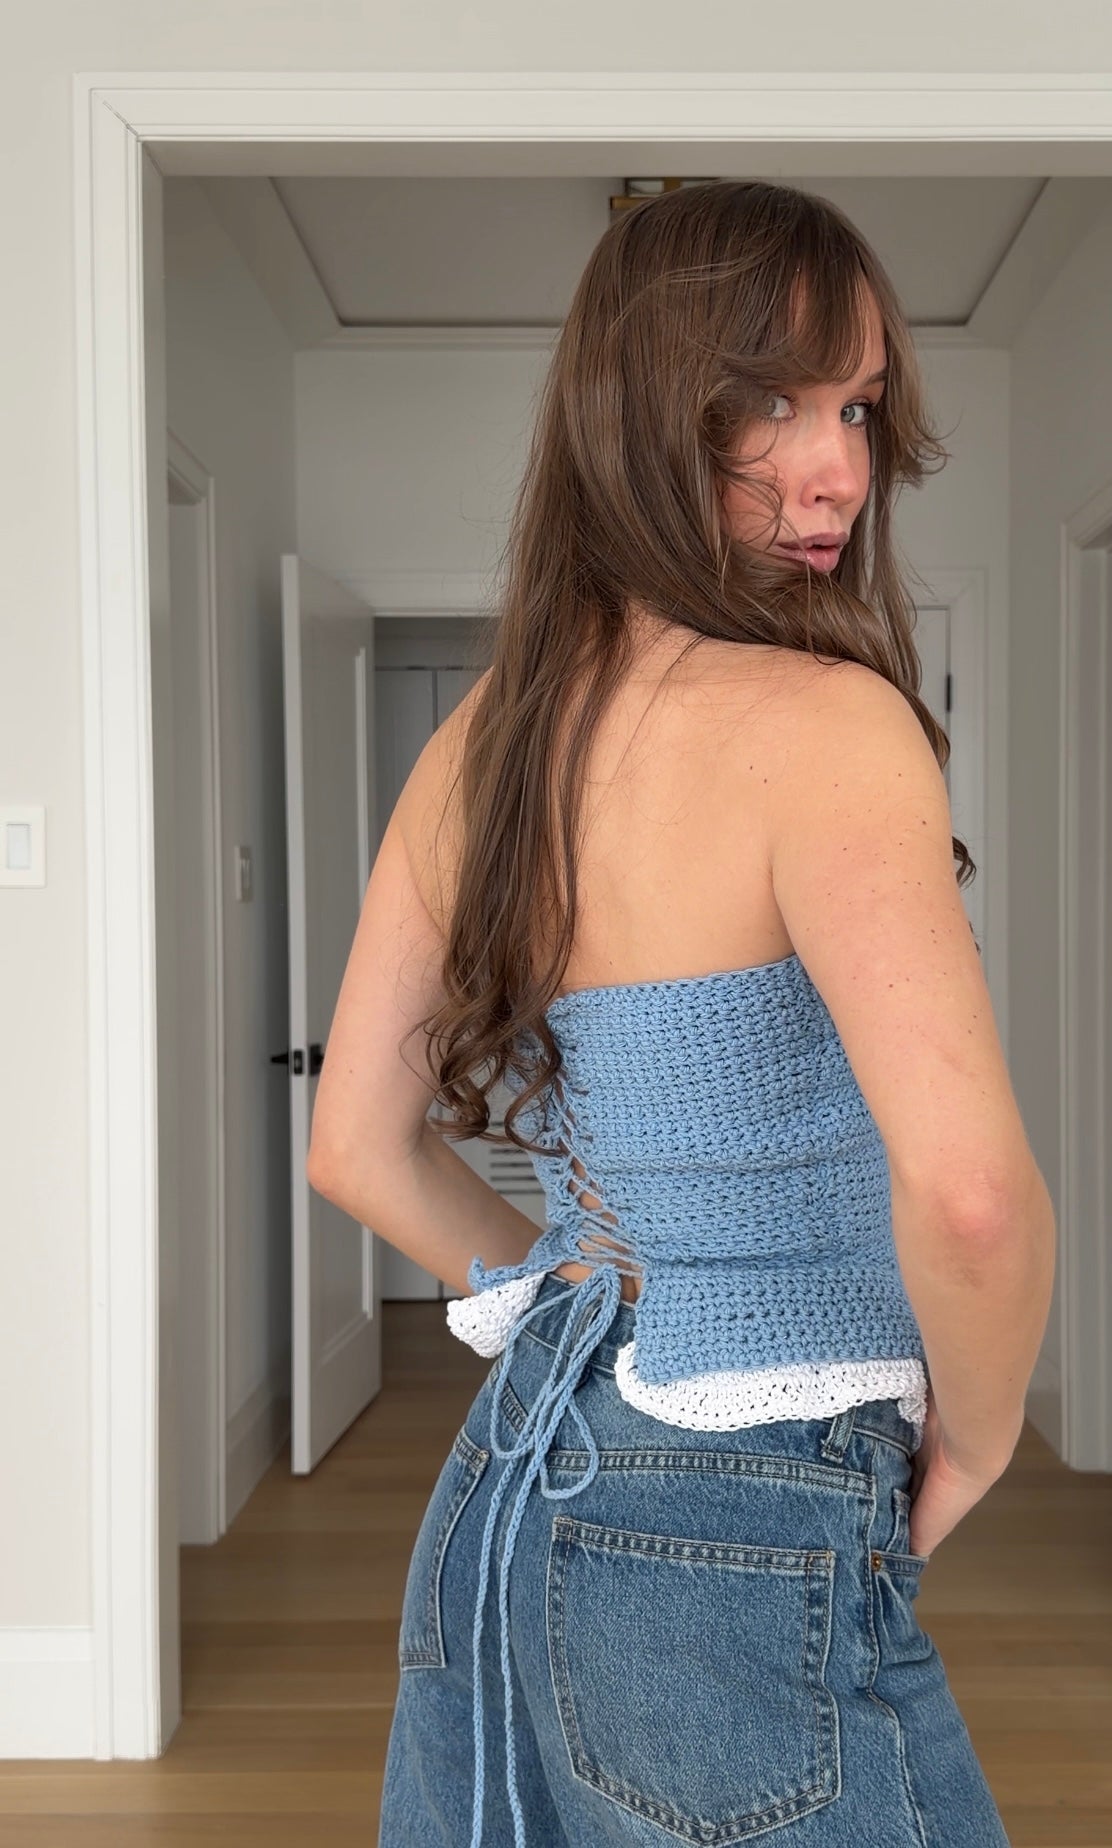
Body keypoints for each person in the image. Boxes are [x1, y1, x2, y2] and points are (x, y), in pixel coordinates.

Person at [308, 178, 1056, 1848]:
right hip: (744, 1503)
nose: (839, 469)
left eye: (858, 407)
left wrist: (570, 1292)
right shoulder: (828, 725)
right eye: (772, 404)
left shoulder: (480, 745)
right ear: (643, 413)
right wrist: (984, 1438)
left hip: (516, 1482)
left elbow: (353, 1147)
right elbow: (973, 1198)